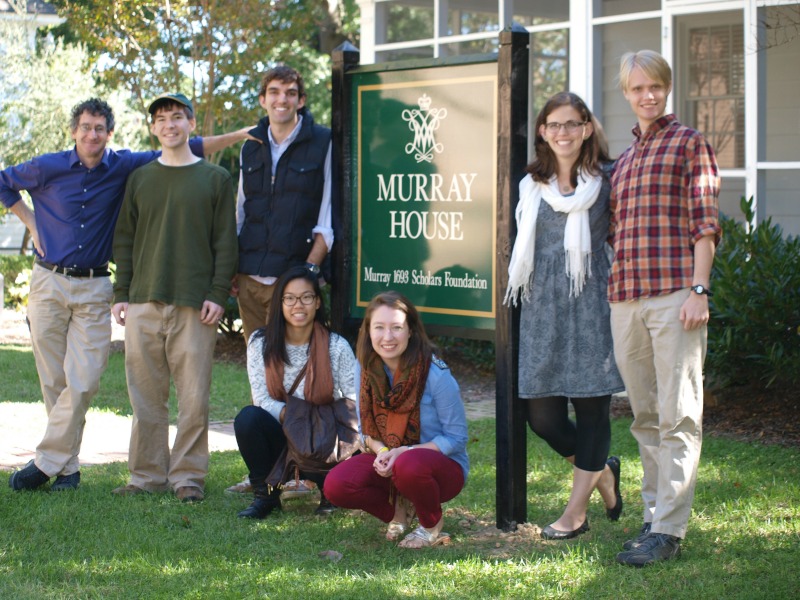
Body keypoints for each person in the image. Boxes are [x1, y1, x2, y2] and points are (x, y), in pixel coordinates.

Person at [2, 97, 251, 492]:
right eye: (85, 127)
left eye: (99, 128)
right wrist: (31, 223)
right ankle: (102, 472)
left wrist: (238, 136)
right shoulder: (81, 170)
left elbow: (221, 230)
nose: (92, 134)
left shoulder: (171, 173)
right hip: (88, 290)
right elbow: (5, 182)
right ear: (74, 131)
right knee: (94, 389)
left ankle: (180, 476)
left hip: (142, 293)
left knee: (111, 386)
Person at [609, 50, 721, 566]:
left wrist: (699, 290)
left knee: (678, 414)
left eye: (654, 86)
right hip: (627, 299)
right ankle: (654, 516)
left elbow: (705, 222)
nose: (647, 95)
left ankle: (670, 530)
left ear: (666, 88)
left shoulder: (689, 144)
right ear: (626, 94)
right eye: (637, 88)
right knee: (645, 415)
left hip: (675, 295)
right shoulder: (625, 160)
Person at [504, 92, 625, 541]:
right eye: (554, 125)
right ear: (542, 131)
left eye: (572, 124)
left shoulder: (608, 180)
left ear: (587, 128)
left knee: (593, 410)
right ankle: (603, 474)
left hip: (591, 301)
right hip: (541, 307)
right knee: (544, 419)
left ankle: (575, 513)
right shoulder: (529, 184)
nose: (563, 133)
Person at [110, 93, 238, 503]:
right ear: (153, 128)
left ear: (190, 123)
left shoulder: (214, 179)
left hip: (194, 304)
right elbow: (125, 239)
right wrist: (121, 293)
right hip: (144, 301)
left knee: (194, 397)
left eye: (177, 117)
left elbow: (225, 242)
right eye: (162, 119)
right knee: (145, 396)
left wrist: (218, 294)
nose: (170, 124)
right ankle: (145, 475)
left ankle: (188, 477)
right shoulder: (141, 178)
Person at [227, 64, 333, 496]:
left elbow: (329, 216)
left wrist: (308, 270)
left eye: (291, 93)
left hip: (293, 281)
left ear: (301, 100)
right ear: (263, 99)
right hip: (250, 279)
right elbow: (240, 209)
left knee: (301, 379)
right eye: (274, 92)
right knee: (263, 379)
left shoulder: (321, 142)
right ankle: (266, 468)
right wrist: (233, 267)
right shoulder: (250, 146)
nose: (282, 100)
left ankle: (303, 472)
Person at [325, 291, 470, 549]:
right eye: (379, 327)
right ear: (368, 331)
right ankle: (399, 513)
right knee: (336, 485)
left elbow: (456, 439)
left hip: (440, 468)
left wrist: (404, 452)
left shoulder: (435, 374)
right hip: (394, 459)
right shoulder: (365, 367)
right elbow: (366, 428)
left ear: (411, 331)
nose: (387, 337)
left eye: (396, 328)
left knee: (409, 463)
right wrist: (383, 452)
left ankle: (430, 525)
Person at [233, 266, 357, 518]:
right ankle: (266, 495)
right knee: (248, 418)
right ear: (279, 303)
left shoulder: (337, 346)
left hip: (323, 439)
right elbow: (262, 400)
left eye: (306, 297)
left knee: (338, 427)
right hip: (282, 429)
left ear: (318, 302)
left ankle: (329, 493)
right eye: (289, 298)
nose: (297, 305)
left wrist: (313, 424)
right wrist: (297, 418)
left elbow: (353, 401)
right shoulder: (261, 343)